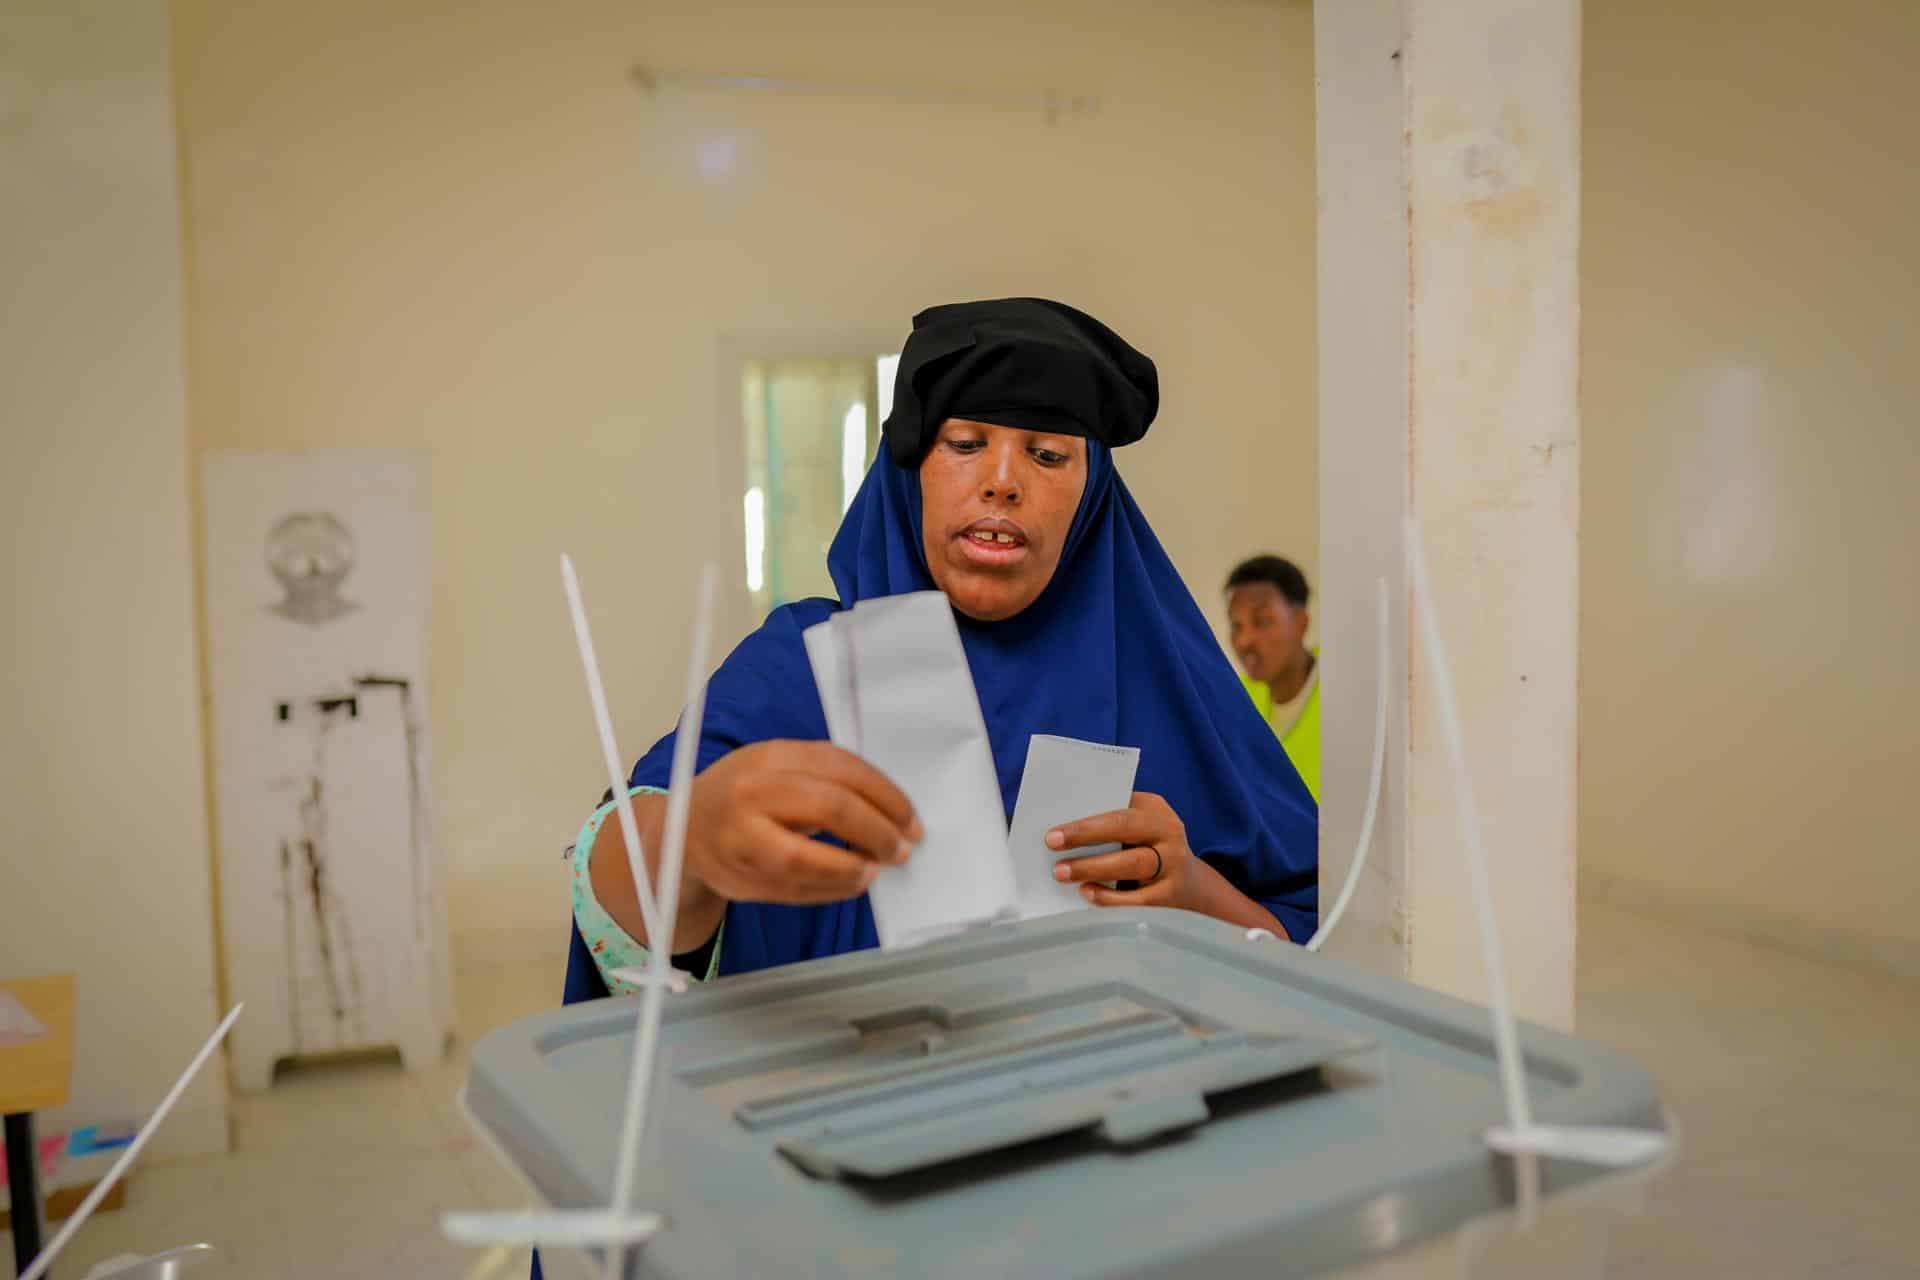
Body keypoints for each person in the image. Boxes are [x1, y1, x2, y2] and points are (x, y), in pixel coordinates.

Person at [565, 298, 1319, 999]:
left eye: (1047, 456)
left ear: (1092, 497)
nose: (1002, 482)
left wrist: (1190, 889)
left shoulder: (1174, 684)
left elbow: (1316, 952)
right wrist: (693, 843)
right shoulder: (806, 666)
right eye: (965, 443)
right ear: (909, 475)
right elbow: (616, 903)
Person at [1224, 555, 1321, 802]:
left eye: (1263, 621)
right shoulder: (1238, 698)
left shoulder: (1344, 682)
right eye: (1236, 626)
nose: (1244, 641)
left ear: (1301, 623)